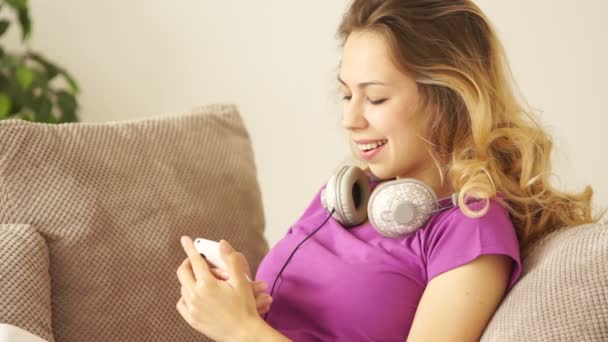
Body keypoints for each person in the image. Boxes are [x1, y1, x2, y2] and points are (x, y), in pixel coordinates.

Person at [175, 0, 603, 341]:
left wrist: (241, 331)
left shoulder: (471, 230)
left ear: (449, 97)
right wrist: (239, 304)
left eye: (375, 98)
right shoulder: (346, 197)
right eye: (346, 95)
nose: (350, 119)